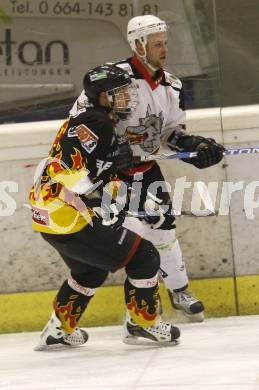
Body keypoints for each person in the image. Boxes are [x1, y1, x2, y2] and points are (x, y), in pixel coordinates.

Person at [70, 15, 225, 322]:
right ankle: (138, 314)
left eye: (165, 43)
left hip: (146, 170)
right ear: (138, 44)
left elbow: (170, 133)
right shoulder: (112, 78)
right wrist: (111, 151)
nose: (164, 49)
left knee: (164, 230)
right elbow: (79, 123)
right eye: (157, 44)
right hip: (109, 175)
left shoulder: (172, 85)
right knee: (133, 239)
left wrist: (193, 147)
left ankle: (179, 292)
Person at [29, 64, 181, 350]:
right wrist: (129, 201)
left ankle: (58, 330)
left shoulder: (96, 120)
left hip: (50, 217)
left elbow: (96, 175)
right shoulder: (95, 123)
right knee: (145, 256)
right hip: (68, 216)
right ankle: (143, 323)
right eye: (119, 92)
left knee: (90, 271)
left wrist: (130, 199)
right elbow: (69, 173)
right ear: (101, 96)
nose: (127, 97)